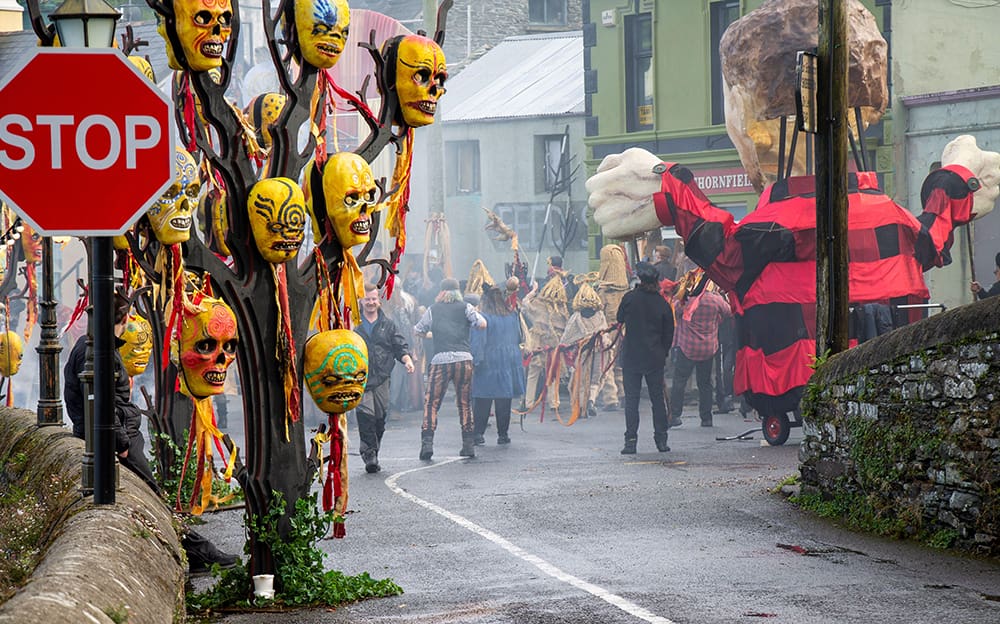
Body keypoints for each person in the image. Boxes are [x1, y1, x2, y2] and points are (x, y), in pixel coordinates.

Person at [64, 294, 239, 573]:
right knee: (155, 497)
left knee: (154, 496)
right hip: (119, 439)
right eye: (128, 317)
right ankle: (201, 554)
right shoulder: (97, 352)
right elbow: (102, 403)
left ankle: (198, 551)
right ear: (121, 319)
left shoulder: (91, 347)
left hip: (117, 433)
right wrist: (120, 443)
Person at [413, 277, 487, 460]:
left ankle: (427, 445)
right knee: (464, 403)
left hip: (441, 359)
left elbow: (417, 329)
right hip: (464, 358)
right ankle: (468, 445)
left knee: (432, 402)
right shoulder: (465, 307)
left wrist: (429, 334)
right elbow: (482, 323)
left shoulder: (433, 309)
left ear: (442, 291)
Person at [616, 262, 674, 455]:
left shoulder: (629, 298)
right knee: (657, 400)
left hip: (632, 356)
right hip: (654, 357)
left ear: (640, 279)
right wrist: (662, 352)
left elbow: (619, 318)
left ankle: (630, 441)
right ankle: (661, 439)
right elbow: (669, 334)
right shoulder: (662, 304)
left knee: (632, 401)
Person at [356, 284, 415, 473]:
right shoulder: (354, 325)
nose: (371, 303)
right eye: (367, 299)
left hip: (382, 377)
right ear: (361, 301)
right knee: (366, 414)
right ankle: (369, 454)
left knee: (380, 417)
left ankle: (373, 449)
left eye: (374, 299)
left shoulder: (388, 324)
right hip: (361, 377)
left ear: (379, 301)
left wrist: (407, 360)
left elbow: (399, 345)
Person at [669, 272, 733, 428]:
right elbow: (729, 312)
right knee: (705, 384)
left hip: (687, 347)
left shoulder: (684, 302)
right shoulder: (715, 300)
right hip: (708, 348)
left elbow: (673, 311)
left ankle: (675, 414)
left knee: (679, 381)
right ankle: (706, 418)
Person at [470, 284, 526, 445]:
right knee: (504, 399)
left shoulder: (483, 318)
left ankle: (478, 434)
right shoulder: (511, 316)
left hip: (489, 360)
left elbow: (478, 341)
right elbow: (518, 336)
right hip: (508, 360)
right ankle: (503, 434)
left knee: (482, 399)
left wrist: (476, 360)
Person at [559, 278, 610, 419]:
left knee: (579, 380)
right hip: (600, 351)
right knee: (596, 379)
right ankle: (591, 401)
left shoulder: (576, 317)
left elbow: (566, 337)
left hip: (583, 352)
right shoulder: (600, 315)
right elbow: (605, 333)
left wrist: (561, 347)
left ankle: (581, 406)